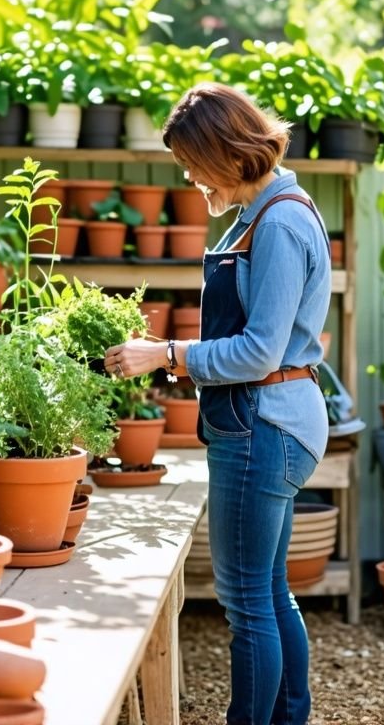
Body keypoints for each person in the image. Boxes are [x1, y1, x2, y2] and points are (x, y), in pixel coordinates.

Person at [104, 82, 331, 725]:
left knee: (245, 599)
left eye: (194, 164)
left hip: (265, 425)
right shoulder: (266, 212)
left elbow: (260, 353)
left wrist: (165, 354)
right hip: (272, 420)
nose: (189, 177)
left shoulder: (280, 223)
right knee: (268, 590)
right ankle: (289, 717)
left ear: (230, 154)